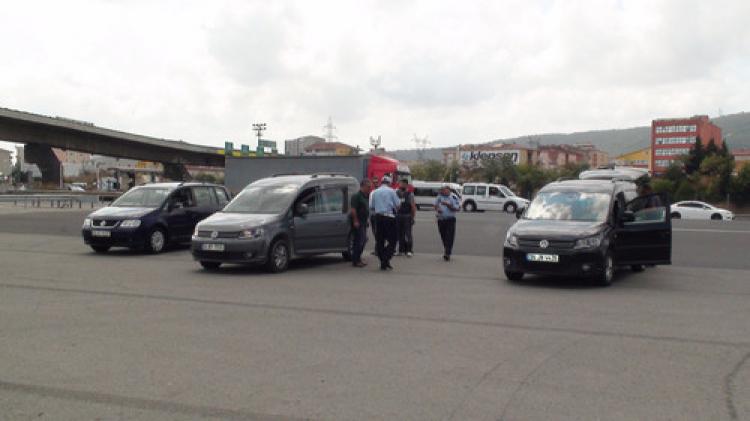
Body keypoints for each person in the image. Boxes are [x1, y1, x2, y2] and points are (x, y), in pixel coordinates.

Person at [370, 175, 401, 270]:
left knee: (380, 240)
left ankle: (383, 260)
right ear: (389, 183)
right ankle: (385, 258)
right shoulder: (392, 191)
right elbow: (398, 204)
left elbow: (372, 206)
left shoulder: (375, 192)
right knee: (393, 240)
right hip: (389, 217)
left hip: (378, 217)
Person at [350, 179, 372, 268]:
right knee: (359, 241)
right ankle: (356, 260)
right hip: (358, 222)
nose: (370, 188)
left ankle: (358, 258)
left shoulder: (366, 196)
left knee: (363, 240)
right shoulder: (356, 196)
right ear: (362, 186)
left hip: (363, 221)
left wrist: (366, 220)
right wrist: (355, 221)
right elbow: (353, 210)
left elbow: (366, 209)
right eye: (368, 187)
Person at [435, 184, 461, 261]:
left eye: (444, 190)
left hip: (450, 219)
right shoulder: (440, 196)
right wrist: (437, 209)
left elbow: (457, 209)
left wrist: (448, 205)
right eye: (442, 190)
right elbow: (435, 205)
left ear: (449, 190)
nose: (443, 192)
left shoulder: (453, 197)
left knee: (449, 237)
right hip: (441, 219)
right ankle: (447, 249)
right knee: (443, 236)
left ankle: (447, 253)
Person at [395, 178, 416, 257]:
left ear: (406, 185)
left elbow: (413, 206)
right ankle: (400, 250)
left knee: (408, 234)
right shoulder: (396, 193)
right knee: (399, 234)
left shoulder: (410, 194)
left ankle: (409, 250)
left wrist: (413, 217)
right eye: (401, 183)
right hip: (398, 215)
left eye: (404, 184)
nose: (402, 185)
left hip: (407, 216)